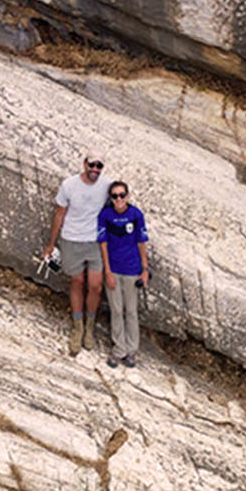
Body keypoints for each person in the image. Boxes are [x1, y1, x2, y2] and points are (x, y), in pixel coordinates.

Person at [42, 151, 111, 356]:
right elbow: (59, 214)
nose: (95, 170)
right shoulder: (69, 185)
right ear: (84, 164)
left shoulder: (106, 185)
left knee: (96, 286)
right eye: (92, 165)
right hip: (72, 239)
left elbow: (119, 202)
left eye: (99, 166)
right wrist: (51, 244)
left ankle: (89, 325)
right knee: (77, 282)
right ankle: (78, 326)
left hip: (95, 242)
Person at [97, 181, 148, 368]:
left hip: (132, 269)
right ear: (110, 198)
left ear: (127, 196)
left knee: (131, 311)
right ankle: (119, 349)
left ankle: (132, 350)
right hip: (114, 269)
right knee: (116, 310)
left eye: (122, 195)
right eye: (115, 196)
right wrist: (107, 271)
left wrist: (145, 269)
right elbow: (103, 243)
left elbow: (141, 242)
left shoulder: (136, 215)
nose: (118, 199)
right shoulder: (106, 215)